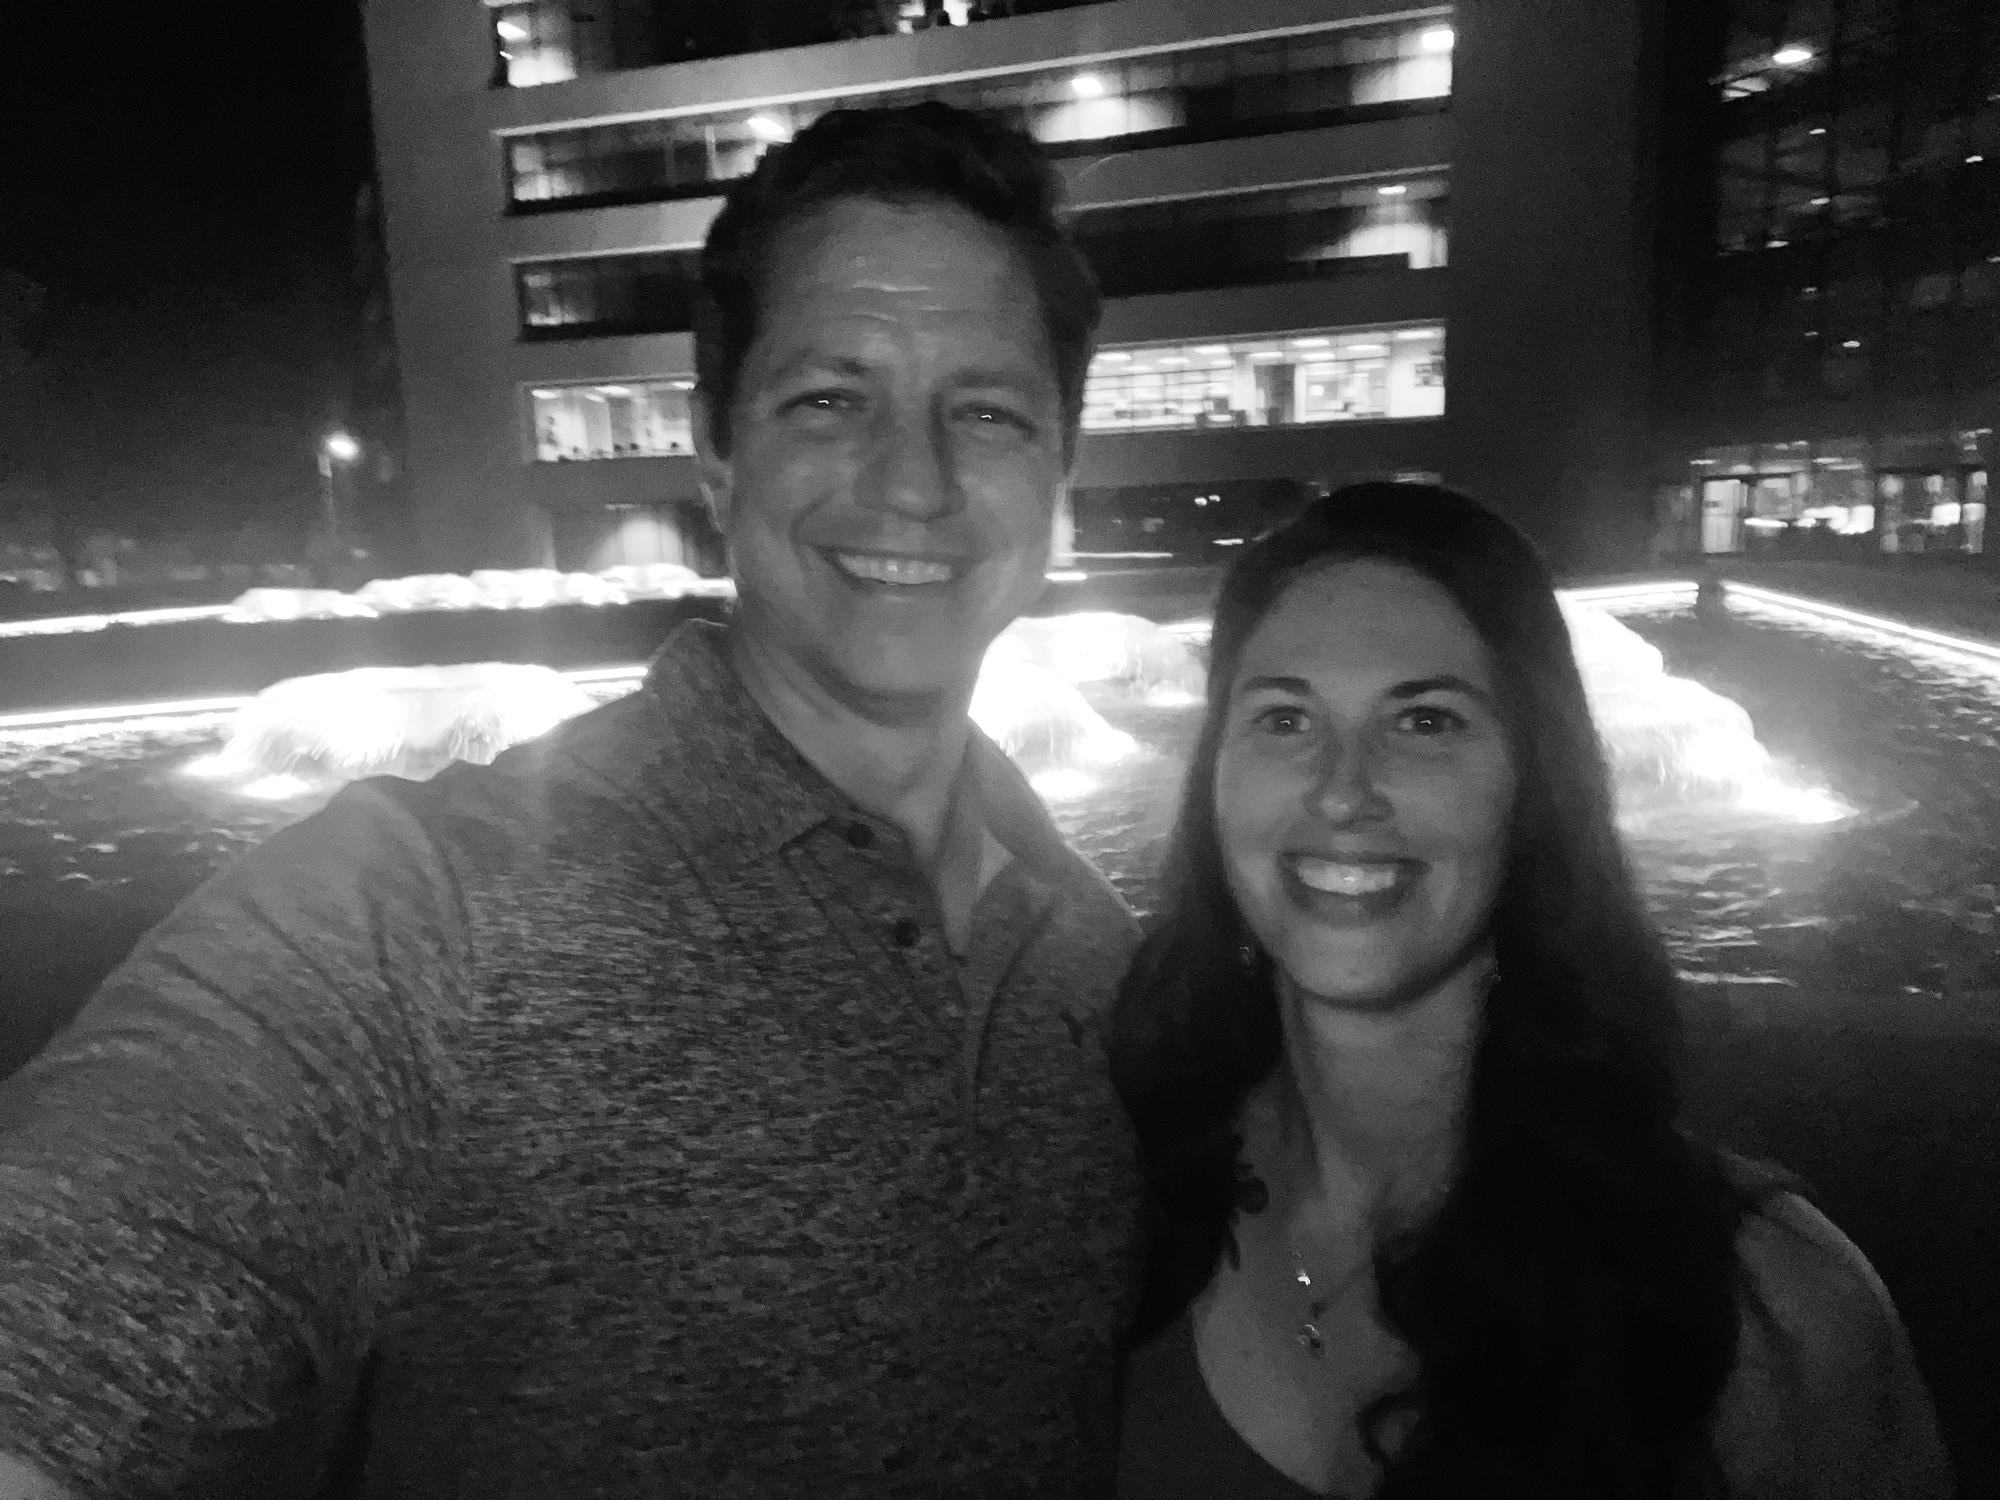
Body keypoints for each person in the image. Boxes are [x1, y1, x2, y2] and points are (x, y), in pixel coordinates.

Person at [0, 103, 1144, 1498]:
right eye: (829, 399)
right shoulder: (419, 918)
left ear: (1060, 471)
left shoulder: (1104, 953)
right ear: (715, 448)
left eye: (988, 412)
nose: (913, 480)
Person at [1110, 483, 1952, 1499]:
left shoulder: (1769, 1315)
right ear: (1213, 776)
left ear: (1533, 784)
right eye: (1283, 718)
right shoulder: (1122, 1197)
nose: (1341, 791)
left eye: (1425, 720)